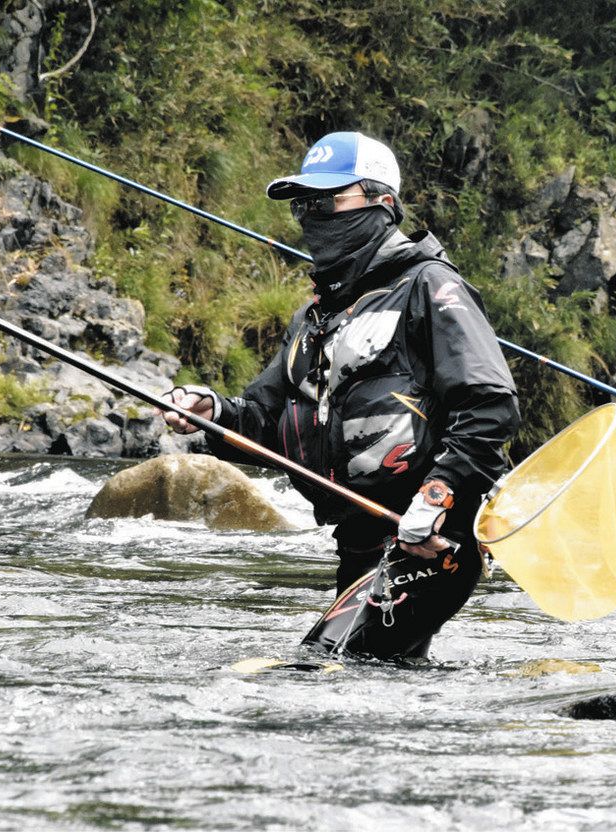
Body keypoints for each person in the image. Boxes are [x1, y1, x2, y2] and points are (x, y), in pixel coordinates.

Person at [161, 131, 519, 659]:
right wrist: (211, 412)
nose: (313, 215)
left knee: (320, 668)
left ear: (383, 203)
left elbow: (490, 405)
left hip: (431, 545)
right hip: (359, 545)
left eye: (328, 201)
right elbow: (266, 420)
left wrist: (438, 496)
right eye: (303, 204)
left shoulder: (431, 286)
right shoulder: (313, 318)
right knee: (373, 684)